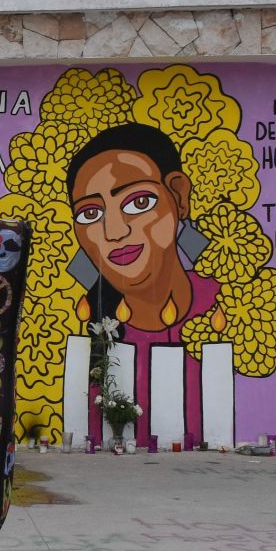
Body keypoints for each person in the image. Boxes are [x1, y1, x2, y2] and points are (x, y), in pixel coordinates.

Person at [65, 123, 219, 449]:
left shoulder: (223, 304)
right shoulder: (92, 324)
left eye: (138, 202)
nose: (114, 231)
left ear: (179, 196)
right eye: (90, 214)